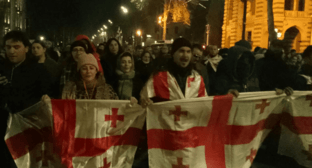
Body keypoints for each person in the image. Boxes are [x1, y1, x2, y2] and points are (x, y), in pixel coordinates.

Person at [0, 30, 52, 168]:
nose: (11, 51)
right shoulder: (2, 68)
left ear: (26, 48)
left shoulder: (38, 70)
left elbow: (47, 96)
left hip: (28, 128)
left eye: (16, 47)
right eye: (8, 47)